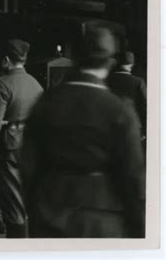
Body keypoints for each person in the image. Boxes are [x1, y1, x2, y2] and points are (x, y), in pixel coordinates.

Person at [22, 26, 146, 238]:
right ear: (110, 63)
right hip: (102, 219)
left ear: (75, 59)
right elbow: (132, 178)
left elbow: (28, 166)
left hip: (49, 212)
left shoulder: (46, 102)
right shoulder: (119, 110)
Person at [0, 39, 44, 238]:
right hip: (31, 146)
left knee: (12, 205)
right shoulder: (35, 83)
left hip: (10, 148)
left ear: (6, 60)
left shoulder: (2, 84)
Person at [108, 51, 147, 137]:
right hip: (133, 127)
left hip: (109, 127)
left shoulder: (107, 80)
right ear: (132, 65)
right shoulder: (138, 82)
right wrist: (144, 130)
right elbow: (144, 107)